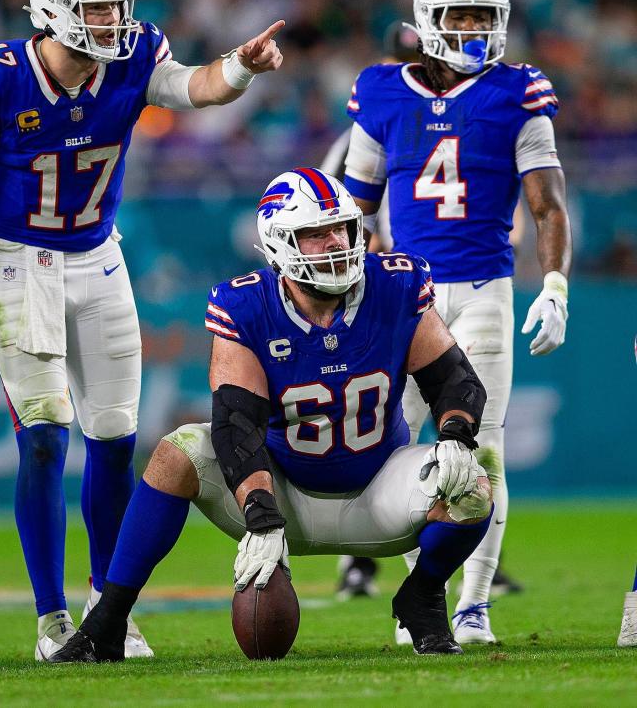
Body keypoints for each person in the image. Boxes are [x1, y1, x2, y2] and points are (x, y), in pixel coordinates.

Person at [0, 0, 283, 660]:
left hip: (99, 256)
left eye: (118, 7)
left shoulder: (135, 57)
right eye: (95, 8)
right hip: (20, 261)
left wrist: (241, 66)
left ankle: (104, 611)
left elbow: (196, 86)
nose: (114, 21)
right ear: (51, 10)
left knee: (115, 443)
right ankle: (51, 618)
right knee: (47, 435)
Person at [51, 169, 493, 663]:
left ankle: (424, 596)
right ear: (280, 243)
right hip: (281, 493)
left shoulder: (395, 286)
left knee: (472, 484)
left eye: (342, 228)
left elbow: (456, 381)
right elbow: (237, 427)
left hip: (378, 491)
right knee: (176, 454)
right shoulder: (246, 305)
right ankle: (108, 621)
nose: (335, 242)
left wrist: (455, 433)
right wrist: (261, 516)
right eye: (316, 233)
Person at [342, 0, 572, 643]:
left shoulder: (518, 92)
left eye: (484, 17)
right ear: (429, 23)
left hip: (482, 291)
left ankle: (472, 607)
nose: (474, 28)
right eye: (460, 16)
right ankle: (424, 593)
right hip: (403, 298)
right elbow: (355, 209)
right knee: (392, 449)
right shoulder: (381, 92)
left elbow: (548, 204)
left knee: (481, 449)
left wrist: (554, 284)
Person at [326, 22, 523, 601]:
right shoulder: (375, 120)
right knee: (385, 435)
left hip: (450, 281)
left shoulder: (469, 110)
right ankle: (361, 565)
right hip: (389, 286)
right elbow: (338, 211)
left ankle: (464, 583)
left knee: (475, 438)